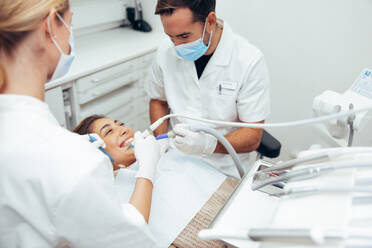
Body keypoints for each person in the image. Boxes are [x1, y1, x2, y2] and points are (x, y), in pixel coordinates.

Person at [0, 1, 160, 247]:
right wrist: (147, 169)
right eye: (70, 25)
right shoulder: (75, 162)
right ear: (52, 25)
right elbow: (130, 239)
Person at [145, 0, 271, 178]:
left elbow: (253, 135)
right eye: (170, 37)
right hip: (175, 159)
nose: (176, 46)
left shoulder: (248, 60)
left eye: (183, 36)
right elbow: (158, 99)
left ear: (211, 21)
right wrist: (161, 140)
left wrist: (210, 144)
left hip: (224, 168)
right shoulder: (166, 50)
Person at [73, 115, 229, 247]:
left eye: (121, 124)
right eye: (109, 131)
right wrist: (147, 166)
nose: (124, 130)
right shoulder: (109, 195)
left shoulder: (165, 153)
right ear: (96, 153)